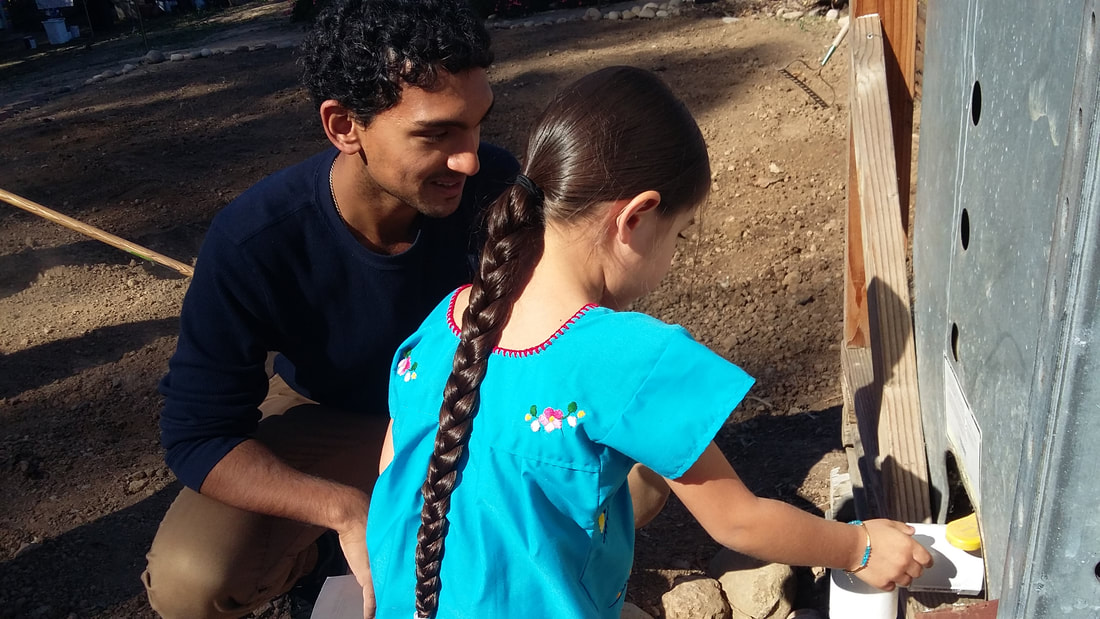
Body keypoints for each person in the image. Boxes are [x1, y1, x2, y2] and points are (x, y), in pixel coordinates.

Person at [365, 66, 935, 619]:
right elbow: (738, 522)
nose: (675, 255)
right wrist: (860, 547)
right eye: (681, 234)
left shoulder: (449, 320)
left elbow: (399, 473)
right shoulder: (630, 357)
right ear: (637, 217)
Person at [142, 1, 518, 617]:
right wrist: (341, 510)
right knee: (195, 579)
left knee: (633, 477)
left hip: (472, 412)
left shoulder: (496, 189)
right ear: (345, 126)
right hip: (333, 417)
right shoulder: (255, 239)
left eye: (477, 124)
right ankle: (320, 557)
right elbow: (198, 436)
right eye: (435, 134)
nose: (469, 158)